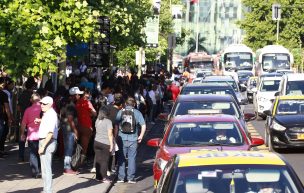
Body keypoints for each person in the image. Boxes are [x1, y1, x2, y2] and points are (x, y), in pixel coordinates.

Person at [115, 97, 146, 184]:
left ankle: (121, 177)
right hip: (133, 139)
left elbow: (116, 125)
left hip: (122, 138)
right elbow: (143, 125)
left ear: (125, 103)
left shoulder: (121, 111)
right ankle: (130, 178)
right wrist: (141, 136)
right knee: (132, 158)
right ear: (134, 104)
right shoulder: (137, 113)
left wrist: (115, 136)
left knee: (121, 158)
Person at [37, 96, 58, 193]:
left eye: (44, 104)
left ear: (50, 105)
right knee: (44, 168)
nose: (41, 105)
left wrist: (43, 146)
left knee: (46, 168)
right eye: (41, 103)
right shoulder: (48, 113)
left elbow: (50, 133)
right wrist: (40, 121)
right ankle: (46, 190)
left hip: (47, 141)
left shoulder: (51, 114)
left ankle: (48, 190)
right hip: (45, 140)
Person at [20, 93, 41, 178]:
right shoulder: (44, 109)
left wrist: (22, 134)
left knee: (33, 153)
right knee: (41, 153)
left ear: (31, 100)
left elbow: (23, 124)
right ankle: (40, 170)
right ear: (40, 100)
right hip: (42, 135)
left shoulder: (27, 110)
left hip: (31, 135)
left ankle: (35, 172)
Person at [60, 87, 80, 175]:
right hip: (69, 129)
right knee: (69, 148)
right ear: (74, 95)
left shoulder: (65, 103)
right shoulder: (71, 105)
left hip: (65, 127)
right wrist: (75, 130)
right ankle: (67, 167)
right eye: (78, 94)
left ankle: (67, 166)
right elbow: (70, 119)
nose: (79, 96)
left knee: (68, 147)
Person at [76, 88, 97, 163]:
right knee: (84, 147)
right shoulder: (87, 103)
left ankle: (76, 161)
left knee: (78, 145)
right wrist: (90, 113)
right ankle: (78, 164)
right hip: (86, 126)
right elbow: (94, 113)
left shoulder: (77, 102)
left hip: (78, 125)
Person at [94, 106, 114, 183]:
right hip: (105, 143)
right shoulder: (108, 122)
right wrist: (111, 144)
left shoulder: (97, 120)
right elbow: (110, 134)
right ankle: (104, 177)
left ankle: (98, 177)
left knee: (98, 160)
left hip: (96, 142)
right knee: (105, 161)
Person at [0, 77, 13, 158]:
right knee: (1, 134)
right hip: (1, 117)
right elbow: (7, 108)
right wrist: (9, 118)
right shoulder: (3, 94)